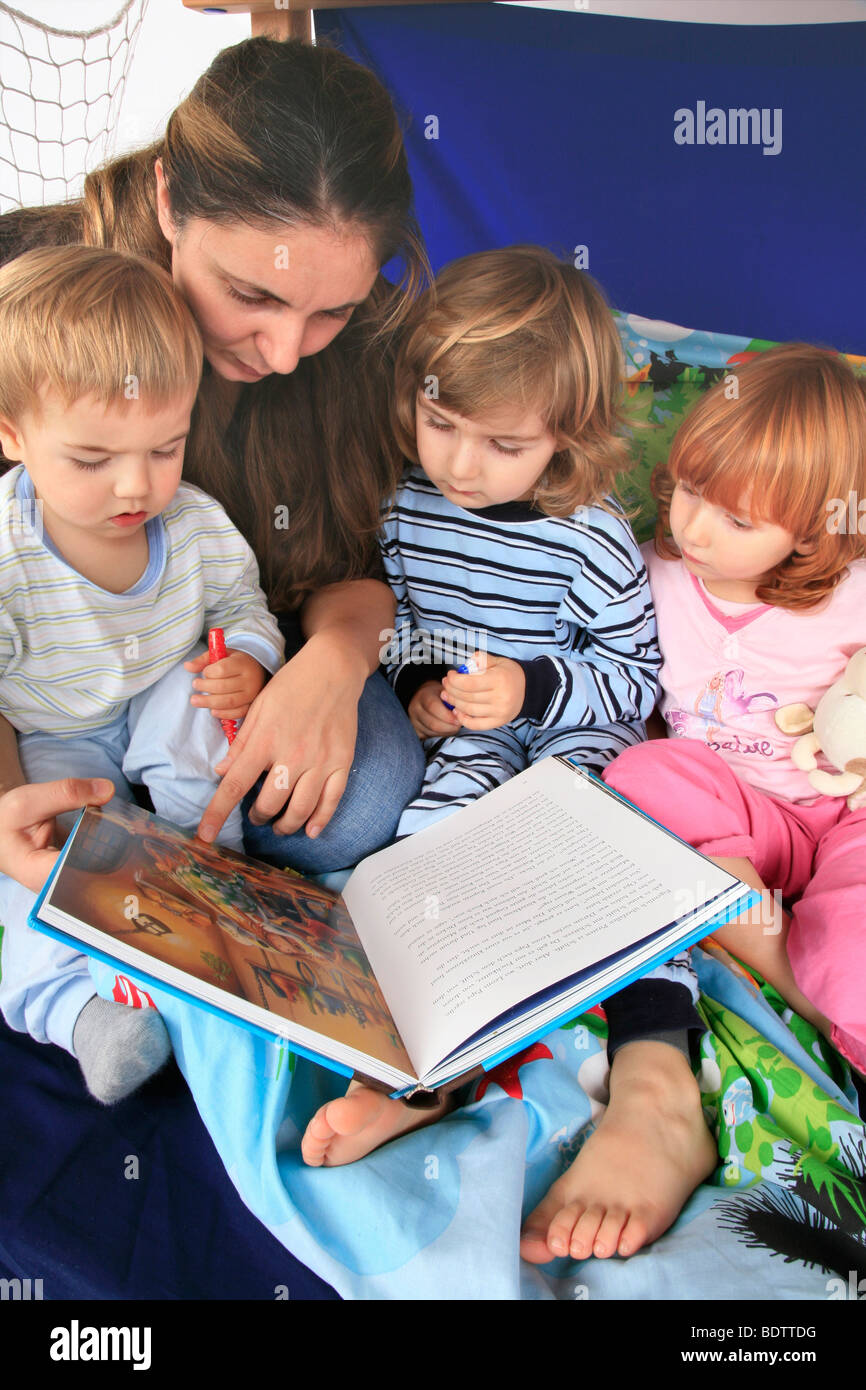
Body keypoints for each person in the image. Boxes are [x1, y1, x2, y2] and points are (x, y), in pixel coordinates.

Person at [0, 34, 427, 887]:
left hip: (228, 667)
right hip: (44, 691)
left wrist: (333, 664)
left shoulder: (372, 341)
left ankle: (163, 822)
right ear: (168, 199)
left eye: (329, 313)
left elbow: (359, 571)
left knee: (365, 792)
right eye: (251, 295)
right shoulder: (31, 297)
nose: (284, 354)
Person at [302, 245, 683, 1169]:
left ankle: (658, 1054)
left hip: (575, 734)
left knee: (618, 844)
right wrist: (414, 692)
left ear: (567, 436)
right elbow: (397, 628)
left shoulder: (588, 538)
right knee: (431, 840)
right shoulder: (404, 506)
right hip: (470, 736)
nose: (462, 465)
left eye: (504, 445)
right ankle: (426, 1064)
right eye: (440, 424)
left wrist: (533, 687)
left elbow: (637, 680)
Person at [520, 342, 866, 1265]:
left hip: (845, 816)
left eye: (738, 517)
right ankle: (723, 903)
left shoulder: (852, 593)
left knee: (856, 944)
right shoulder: (656, 571)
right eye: (689, 491)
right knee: (636, 779)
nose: (699, 528)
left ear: (813, 531)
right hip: (733, 816)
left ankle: (790, 971)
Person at [0, 245, 284, 1103]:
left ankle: (219, 881)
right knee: (51, 864)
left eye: (166, 448)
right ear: (12, 435)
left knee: (194, 694)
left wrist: (255, 661)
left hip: (164, 702)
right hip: (59, 733)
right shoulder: (9, 552)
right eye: (92, 460)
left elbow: (243, 603)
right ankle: (80, 1010)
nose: (136, 485)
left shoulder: (194, 524)